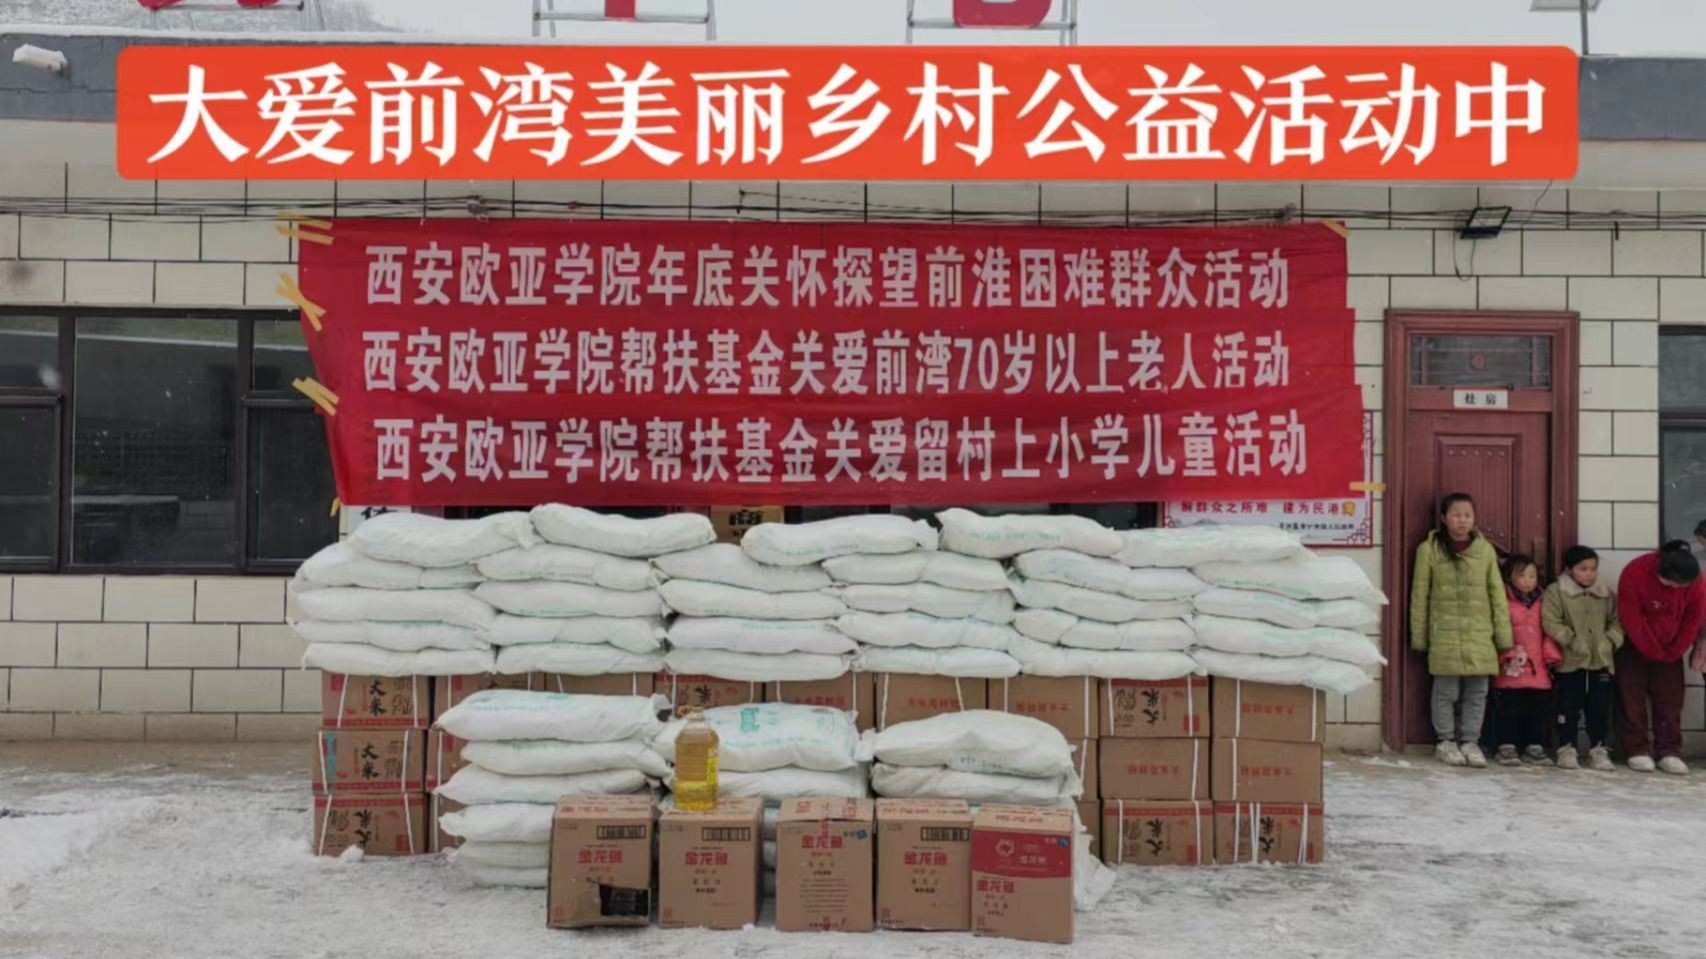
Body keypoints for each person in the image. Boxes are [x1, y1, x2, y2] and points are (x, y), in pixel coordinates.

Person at [1411, 493, 1512, 768]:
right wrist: (1419, 636)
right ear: (1444, 518)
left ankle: (1470, 741)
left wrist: (1504, 637)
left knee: (1477, 692)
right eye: (1456, 515)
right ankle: (1445, 741)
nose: (1462, 520)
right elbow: (1419, 596)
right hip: (1444, 633)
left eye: (1467, 515)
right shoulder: (1429, 550)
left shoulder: (1485, 550)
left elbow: (1497, 595)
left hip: (1479, 633)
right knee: (1445, 691)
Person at [1615, 541, 1706, 775]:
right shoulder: (1636, 571)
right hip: (1634, 644)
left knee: (1670, 701)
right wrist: (1652, 649)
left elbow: (1693, 618)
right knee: (1631, 698)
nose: (1675, 589)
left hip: (1671, 649)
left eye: (1681, 586)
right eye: (1671, 584)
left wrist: (1676, 649)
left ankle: (1669, 751)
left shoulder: (1697, 581)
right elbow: (1631, 616)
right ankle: (1636, 749)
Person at [1542, 545, 1624, 771]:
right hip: (1570, 661)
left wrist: (1610, 641)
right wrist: (1571, 639)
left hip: (1601, 661)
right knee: (1568, 707)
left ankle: (1599, 748)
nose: (1589, 574)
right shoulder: (1557, 591)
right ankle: (1566, 747)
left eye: (1593, 569)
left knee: (1599, 708)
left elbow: (1617, 622)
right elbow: (1551, 621)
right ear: (1570, 570)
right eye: (1583, 569)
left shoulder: (1606, 594)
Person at [1493, 555, 1562, 767]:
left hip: (1537, 666)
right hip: (1511, 665)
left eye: (1532, 575)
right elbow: (1497, 629)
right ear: (1509, 577)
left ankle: (1534, 746)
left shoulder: (1543, 602)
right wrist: (1504, 653)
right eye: (1521, 575)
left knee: (1537, 709)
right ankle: (1506, 746)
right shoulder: (1503, 601)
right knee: (1509, 707)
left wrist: (1551, 655)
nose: (1527, 581)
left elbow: (1548, 630)